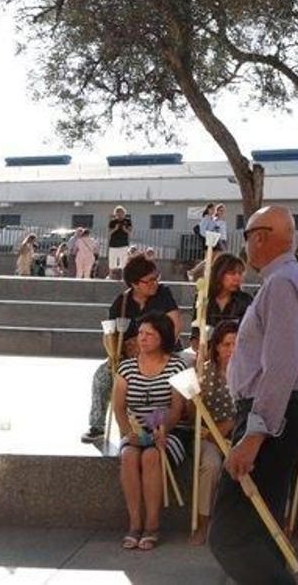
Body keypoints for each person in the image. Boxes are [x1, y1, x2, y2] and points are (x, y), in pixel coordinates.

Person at [209, 205, 298, 585]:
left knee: (230, 537)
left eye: (246, 236)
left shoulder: (282, 283)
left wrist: (254, 434)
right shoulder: (287, 280)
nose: (245, 247)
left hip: (272, 416)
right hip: (278, 413)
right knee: (259, 529)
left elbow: (281, 366)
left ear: (260, 236)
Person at [83, 255, 184, 444]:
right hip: (130, 358)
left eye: (156, 278)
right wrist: (117, 352)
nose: (155, 283)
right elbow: (110, 333)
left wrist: (157, 347)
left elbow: (175, 325)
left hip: (165, 353)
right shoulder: (121, 302)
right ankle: (98, 425)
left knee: (185, 373)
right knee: (102, 377)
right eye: (149, 281)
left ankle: (178, 424)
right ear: (134, 284)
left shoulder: (163, 294)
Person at [113, 313, 187, 551]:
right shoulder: (126, 367)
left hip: (169, 431)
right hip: (135, 431)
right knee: (129, 456)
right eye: (141, 333)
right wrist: (127, 432)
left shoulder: (177, 365)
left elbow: (177, 407)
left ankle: (152, 525)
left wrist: (164, 429)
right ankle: (135, 523)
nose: (142, 338)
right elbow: (119, 407)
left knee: (152, 456)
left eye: (149, 334)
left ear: (162, 338)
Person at [186, 319, 240, 546]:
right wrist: (196, 395)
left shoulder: (251, 372)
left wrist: (233, 424)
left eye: (236, 344)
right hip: (208, 435)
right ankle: (203, 523)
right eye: (226, 344)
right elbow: (192, 416)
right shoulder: (204, 373)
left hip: (240, 435)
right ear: (216, 346)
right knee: (210, 465)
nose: (231, 350)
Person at [205, 252, 254, 329]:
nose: (237, 278)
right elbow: (195, 332)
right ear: (219, 273)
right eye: (232, 273)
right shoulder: (204, 298)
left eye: (240, 274)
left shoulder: (246, 301)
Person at [107, 206, 134, 279]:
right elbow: (109, 232)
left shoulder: (127, 221)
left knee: (124, 261)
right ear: (115, 214)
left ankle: (123, 276)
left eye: (121, 213)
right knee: (112, 260)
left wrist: (124, 229)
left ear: (124, 213)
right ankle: (110, 275)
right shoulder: (113, 221)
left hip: (123, 244)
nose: (119, 215)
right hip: (113, 244)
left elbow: (130, 231)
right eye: (118, 213)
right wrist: (115, 229)